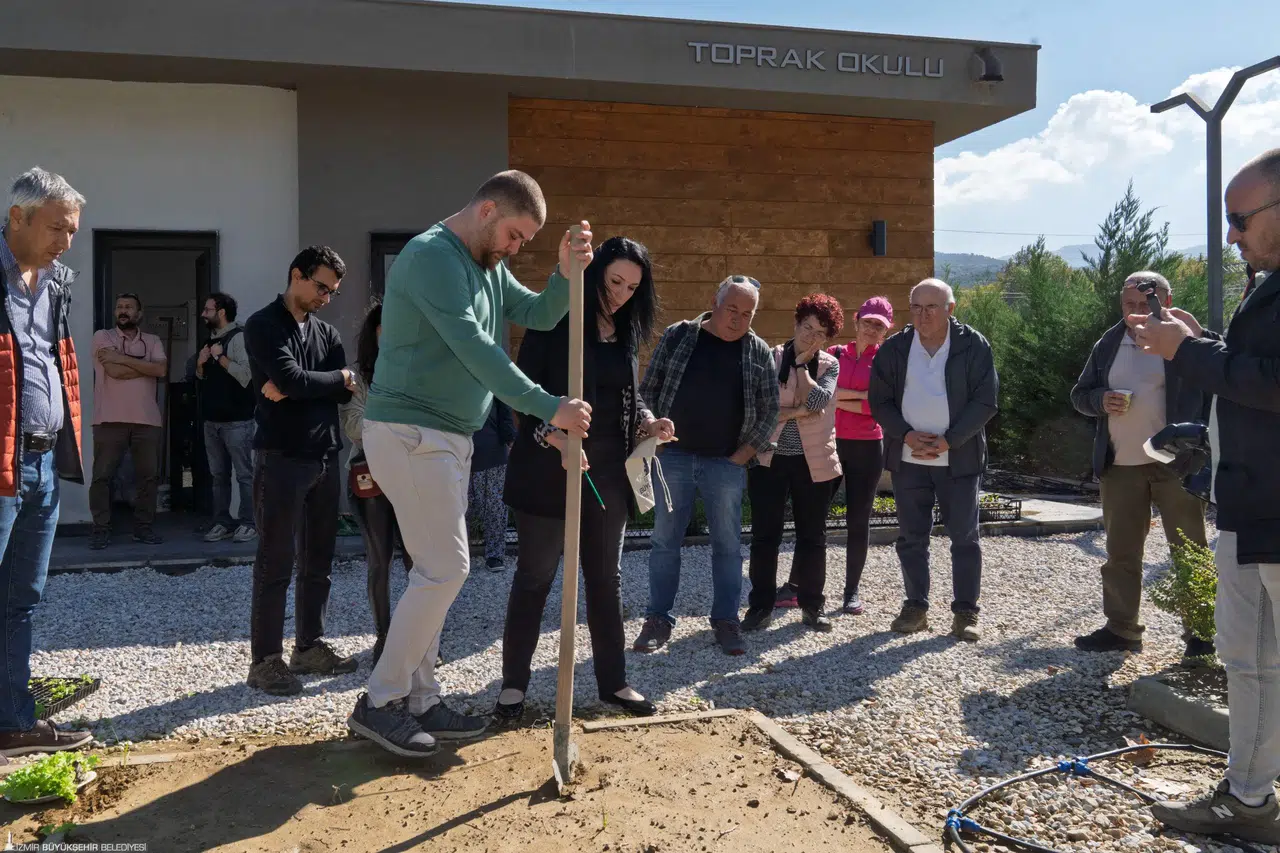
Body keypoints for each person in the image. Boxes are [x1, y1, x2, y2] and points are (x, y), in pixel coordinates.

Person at [345, 169, 592, 758]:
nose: (515, 248)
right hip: (409, 432)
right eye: (513, 235)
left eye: (525, 242)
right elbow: (479, 352)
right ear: (486, 212)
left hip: (447, 437)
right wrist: (549, 408)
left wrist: (565, 272)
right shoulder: (433, 257)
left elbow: (539, 314)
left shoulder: (486, 266)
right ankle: (380, 701)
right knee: (447, 568)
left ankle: (422, 698)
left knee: (432, 571)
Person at [1133, 149, 1280, 844]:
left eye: (1239, 219)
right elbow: (1252, 370)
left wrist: (1186, 354)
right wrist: (1198, 342)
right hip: (1251, 512)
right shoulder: (1269, 283)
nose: (1229, 236)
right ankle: (1249, 798)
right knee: (1249, 664)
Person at [500, 236, 669, 720]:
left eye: (633, 287)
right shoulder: (555, 322)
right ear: (595, 273)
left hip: (609, 474)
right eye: (615, 281)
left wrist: (648, 423)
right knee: (535, 576)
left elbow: (628, 398)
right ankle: (513, 685)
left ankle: (613, 683)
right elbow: (521, 393)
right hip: (549, 469)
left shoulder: (627, 332)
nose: (621, 293)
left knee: (604, 579)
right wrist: (549, 433)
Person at [632, 275, 780, 657]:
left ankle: (726, 620)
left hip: (726, 462)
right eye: (732, 309)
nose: (738, 319)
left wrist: (745, 454)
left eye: (747, 314)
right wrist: (651, 426)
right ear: (715, 303)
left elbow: (770, 410)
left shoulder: (757, 351)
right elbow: (647, 391)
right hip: (674, 457)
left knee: (729, 547)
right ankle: (658, 619)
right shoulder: (680, 336)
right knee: (665, 542)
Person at [1070, 272, 1212, 660]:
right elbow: (1080, 395)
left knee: (1189, 551)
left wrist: (1196, 336)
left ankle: (1202, 635)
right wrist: (1102, 400)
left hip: (1177, 465)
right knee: (1120, 553)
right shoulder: (1109, 342)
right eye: (1128, 305)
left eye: (1142, 304)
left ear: (1166, 301)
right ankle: (1121, 629)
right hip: (1122, 465)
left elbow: (1221, 369)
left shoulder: (1182, 338)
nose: (1135, 313)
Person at [0, 167, 93, 761]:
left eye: (74, 231)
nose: (66, 242)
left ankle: (11, 722)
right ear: (18, 218)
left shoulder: (55, 283)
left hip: (39, 464)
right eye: (58, 228)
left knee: (20, 600)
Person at [242, 246, 358, 696]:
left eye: (332, 291)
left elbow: (344, 392)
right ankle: (265, 660)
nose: (326, 298)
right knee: (275, 562)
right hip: (281, 457)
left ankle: (308, 646)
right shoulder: (263, 324)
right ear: (297, 274)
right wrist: (329, 380)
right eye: (322, 287)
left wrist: (310, 384)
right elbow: (297, 380)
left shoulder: (325, 332)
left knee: (319, 561)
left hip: (325, 455)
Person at [869, 278, 998, 642]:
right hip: (908, 458)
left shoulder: (973, 345)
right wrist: (907, 435)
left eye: (932, 307)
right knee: (911, 537)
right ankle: (915, 606)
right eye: (916, 308)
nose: (923, 315)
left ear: (950, 310)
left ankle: (966, 613)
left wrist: (948, 441)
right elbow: (880, 402)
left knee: (965, 538)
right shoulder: (894, 349)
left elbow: (986, 400)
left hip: (958, 458)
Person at [742, 293, 844, 635]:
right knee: (764, 536)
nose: (810, 336)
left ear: (828, 338)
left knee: (813, 537)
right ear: (795, 323)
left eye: (819, 333)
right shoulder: (770, 358)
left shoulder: (830, 365)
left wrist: (801, 366)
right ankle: (760, 607)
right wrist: (797, 410)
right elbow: (760, 407)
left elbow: (817, 399)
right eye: (806, 327)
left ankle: (812, 607)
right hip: (769, 459)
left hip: (814, 462)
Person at [341, 300, 417, 668]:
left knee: (419, 562)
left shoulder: (420, 374)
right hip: (370, 476)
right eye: (387, 328)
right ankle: (385, 638)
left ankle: (421, 638)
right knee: (380, 561)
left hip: (416, 477)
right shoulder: (358, 379)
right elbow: (353, 427)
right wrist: (395, 422)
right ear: (374, 332)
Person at [827, 296, 894, 616]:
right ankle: (799, 586)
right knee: (812, 516)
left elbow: (879, 407)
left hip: (867, 447)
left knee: (858, 521)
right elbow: (820, 394)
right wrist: (860, 399)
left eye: (878, 325)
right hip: (829, 443)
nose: (872, 329)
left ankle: (851, 591)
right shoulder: (834, 355)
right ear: (856, 321)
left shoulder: (887, 362)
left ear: (886, 331)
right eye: (868, 322)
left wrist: (840, 398)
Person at [88, 292, 168, 548]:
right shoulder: (103, 336)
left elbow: (161, 370)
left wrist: (121, 359)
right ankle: (101, 529)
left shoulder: (153, 340)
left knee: (149, 477)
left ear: (139, 314)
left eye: (129, 307)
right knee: (102, 477)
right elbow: (113, 372)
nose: (123, 311)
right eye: (119, 307)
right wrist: (144, 366)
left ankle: (143, 528)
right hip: (109, 419)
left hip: (147, 420)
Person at [195, 292, 257, 543]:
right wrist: (200, 365)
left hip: (237, 421)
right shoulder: (209, 341)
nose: (203, 314)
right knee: (218, 476)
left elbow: (246, 375)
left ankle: (249, 523)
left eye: (208, 310)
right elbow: (202, 380)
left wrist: (220, 357)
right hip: (211, 421)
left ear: (221, 312)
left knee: (244, 474)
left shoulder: (239, 338)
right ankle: (222, 522)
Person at [468, 399, 516, 572]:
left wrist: (511, 439)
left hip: (493, 452)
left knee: (495, 507)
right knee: (457, 510)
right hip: (457, 454)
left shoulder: (492, 379)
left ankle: (495, 555)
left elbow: (505, 412)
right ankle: (457, 558)